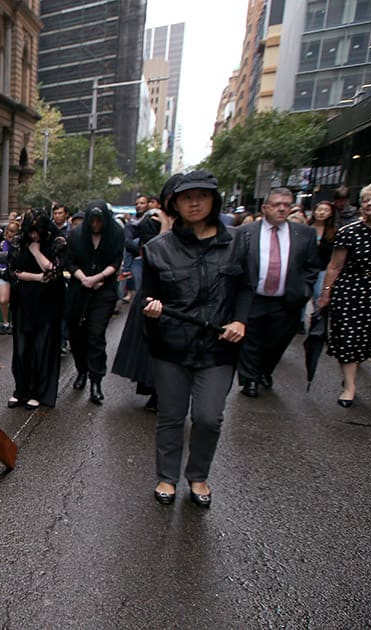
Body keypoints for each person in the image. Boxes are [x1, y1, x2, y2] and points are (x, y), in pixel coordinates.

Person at [141, 170, 251, 508]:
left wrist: (240, 321)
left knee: (208, 416)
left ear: (213, 200)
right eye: (186, 197)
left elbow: (246, 287)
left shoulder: (237, 242)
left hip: (218, 347)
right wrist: (153, 309)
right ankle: (167, 477)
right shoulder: (157, 249)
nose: (194, 202)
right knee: (171, 415)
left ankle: (198, 475)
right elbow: (147, 297)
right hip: (172, 345)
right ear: (174, 203)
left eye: (201, 196)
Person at [237, 187, 319, 398]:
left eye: (286, 205)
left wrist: (305, 290)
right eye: (276, 205)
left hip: (287, 299)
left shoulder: (304, 234)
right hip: (253, 297)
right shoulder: (245, 233)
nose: (282, 209)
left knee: (277, 340)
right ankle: (250, 380)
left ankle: (265, 371)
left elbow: (312, 266)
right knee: (250, 340)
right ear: (265, 207)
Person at [112, 174, 183, 412]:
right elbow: (153, 254)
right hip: (156, 287)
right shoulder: (152, 221)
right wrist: (165, 225)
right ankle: (155, 391)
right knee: (151, 342)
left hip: (184, 293)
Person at [317, 182, 371, 407]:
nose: (370, 203)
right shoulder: (350, 232)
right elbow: (335, 266)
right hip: (352, 291)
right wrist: (326, 294)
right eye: (366, 199)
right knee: (349, 339)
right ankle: (349, 386)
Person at [64, 199, 125, 405]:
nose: (96, 225)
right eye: (93, 221)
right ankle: (81, 370)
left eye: (100, 221)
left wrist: (98, 278)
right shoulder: (76, 235)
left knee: (96, 335)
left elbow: (116, 262)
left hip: (103, 291)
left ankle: (96, 381)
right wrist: (85, 279)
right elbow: (69, 262)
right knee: (77, 335)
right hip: (79, 289)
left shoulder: (116, 233)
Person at [7, 210, 66, 409]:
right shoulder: (18, 241)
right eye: (30, 232)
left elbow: (53, 271)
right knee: (22, 349)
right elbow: (13, 271)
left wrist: (36, 251)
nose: (33, 236)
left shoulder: (57, 241)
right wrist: (37, 277)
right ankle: (21, 389)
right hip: (23, 301)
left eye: (37, 232)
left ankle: (38, 392)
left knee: (42, 348)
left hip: (47, 304)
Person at [308, 200, 337, 313]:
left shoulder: (333, 231)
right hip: (304, 267)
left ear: (330, 213)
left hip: (322, 268)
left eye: (325, 210)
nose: (321, 213)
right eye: (319, 210)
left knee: (318, 295)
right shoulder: (306, 228)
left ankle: (317, 318)